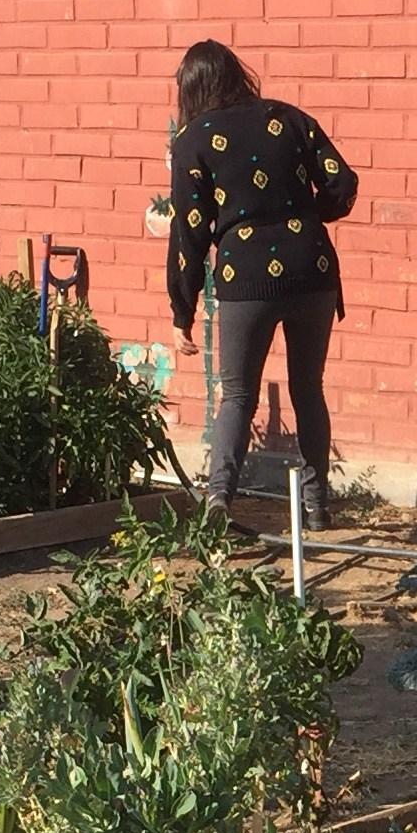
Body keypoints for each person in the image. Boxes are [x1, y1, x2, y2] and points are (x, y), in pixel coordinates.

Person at [165, 40, 358, 511]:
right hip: (313, 269)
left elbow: (189, 232)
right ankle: (315, 504)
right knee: (308, 387)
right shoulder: (288, 118)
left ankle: (218, 501)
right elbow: (343, 182)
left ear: (190, 88)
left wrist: (181, 311)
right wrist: (307, 218)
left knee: (237, 395)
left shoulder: (192, 139)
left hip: (244, 277)